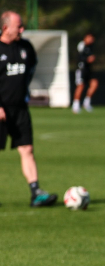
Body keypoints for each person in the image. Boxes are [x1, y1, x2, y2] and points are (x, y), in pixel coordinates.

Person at [0, 11, 55, 207]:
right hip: (0, 110)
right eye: (19, 26)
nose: (22, 29)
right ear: (5, 27)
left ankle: (36, 192)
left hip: (20, 109)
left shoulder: (26, 48)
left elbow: (30, 70)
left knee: (27, 149)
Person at [72, 32, 97, 114]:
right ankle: (75, 105)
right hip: (81, 69)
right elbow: (80, 57)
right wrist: (87, 59)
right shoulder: (82, 45)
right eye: (89, 37)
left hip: (88, 70)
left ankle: (86, 103)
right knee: (80, 86)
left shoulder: (91, 47)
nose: (91, 39)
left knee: (94, 84)